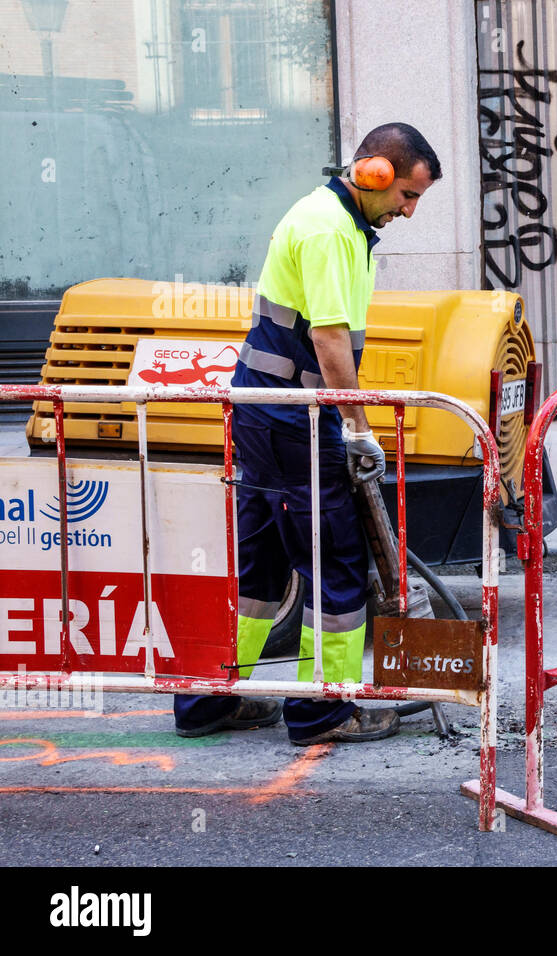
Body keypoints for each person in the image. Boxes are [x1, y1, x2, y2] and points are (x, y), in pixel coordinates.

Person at [173, 123, 441, 744]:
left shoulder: (329, 219)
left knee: (260, 563)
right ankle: (325, 710)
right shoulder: (329, 231)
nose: (408, 210)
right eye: (407, 194)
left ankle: (209, 700)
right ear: (375, 173)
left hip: (261, 410)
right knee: (333, 564)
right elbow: (328, 339)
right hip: (298, 416)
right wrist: (357, 427)